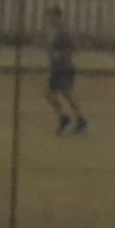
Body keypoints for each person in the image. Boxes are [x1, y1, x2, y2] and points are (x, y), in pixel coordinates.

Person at [45, 8, 85, 136]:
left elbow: (76, 48)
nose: (49, 20)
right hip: (60, 67)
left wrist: (61, 56)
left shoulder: (63, 32)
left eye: (51, 17)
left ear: (57, 17)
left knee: (51, 93)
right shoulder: (57, 32)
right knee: (66, 93)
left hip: (63, 67)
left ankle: (65, 117)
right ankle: (79, 118)